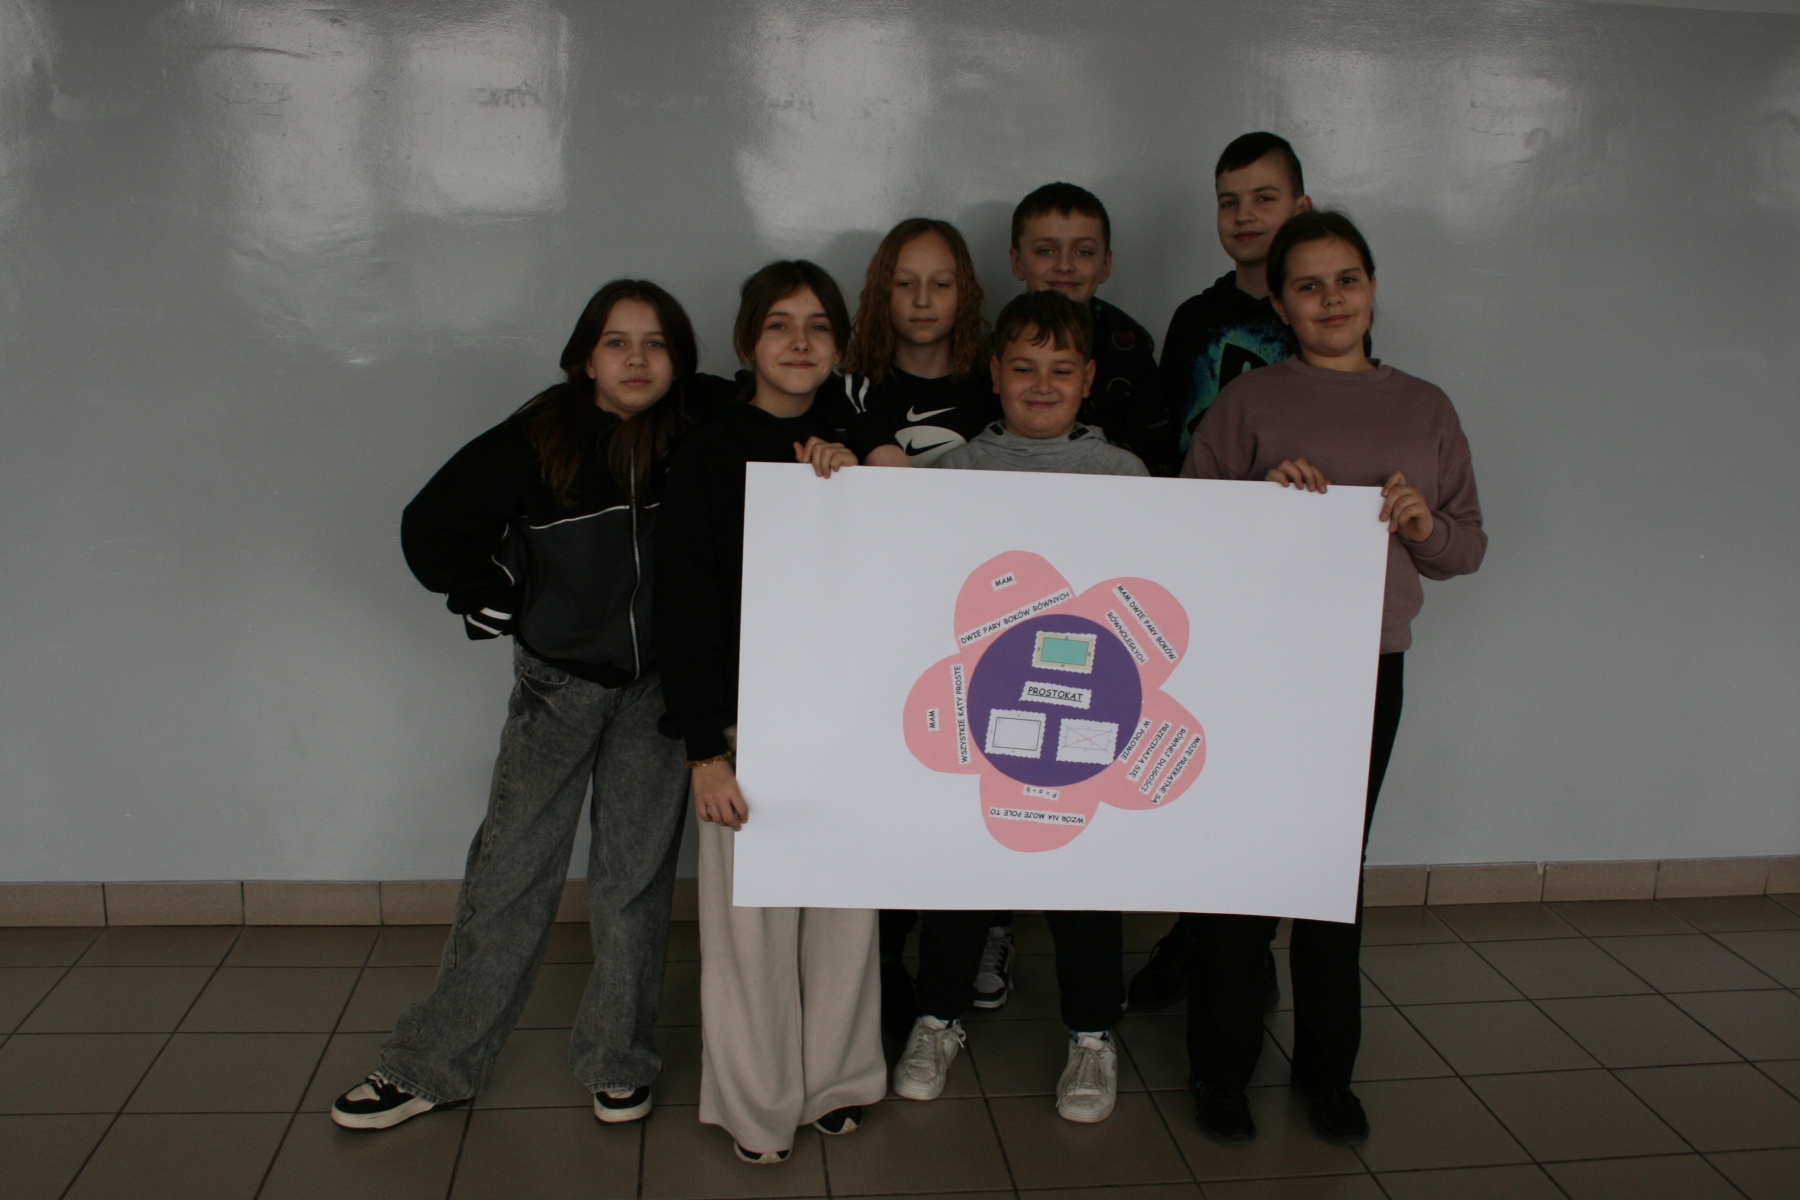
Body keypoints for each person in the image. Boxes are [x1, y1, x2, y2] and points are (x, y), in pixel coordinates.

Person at [332, 280, 721, 1132]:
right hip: (561, 690)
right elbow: (429, 525)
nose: (637, 359)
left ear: (681, 360)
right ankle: (432, 1064)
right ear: (586, 358)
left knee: (633, 883)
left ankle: (618, 1059)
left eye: (656, 343)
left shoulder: (701, 424)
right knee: (511, 875)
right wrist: (492, 597)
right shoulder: (538, 436)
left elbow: (788, 409)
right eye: (616, 342)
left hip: (658, 694)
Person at [1180, 211, 1486, 1145]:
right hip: (1253, 668)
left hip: (1366, 670)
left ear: (1373, 287)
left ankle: (1327, 1075)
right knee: (1239, 871)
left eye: (1346, 279)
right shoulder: (1249, 401)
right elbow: (1184, 532)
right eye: (1307, 286)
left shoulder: (1426, 407)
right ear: (1279, 303)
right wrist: (1259, 505)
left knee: (1329, 878)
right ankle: (1220, 1071)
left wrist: (1423, 525)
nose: (1330, 300)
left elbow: (1466, 547)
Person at [655, 260, 894, 1164]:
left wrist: (864, 479)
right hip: (745, 724)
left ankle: (837, 1080)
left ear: (840, 345)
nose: (800, 342)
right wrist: (705, 750)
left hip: (848, 720)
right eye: (780, 325)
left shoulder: (856, 439)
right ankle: (758, 1105)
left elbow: (905, 565)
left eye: (819, 326)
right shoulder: (709, 451)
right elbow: (685, 607)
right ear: (747, 341)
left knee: (843, 917)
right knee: (749, 932)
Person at [892, 290, 1146, 1127]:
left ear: (1089, 379)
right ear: (995, 373)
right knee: (959, 874)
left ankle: (1092, 1034)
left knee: (1087, 881)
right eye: (1025, 368)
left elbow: (1146, 589)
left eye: (1061, 370)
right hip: (981, 710)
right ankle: (938, 1019)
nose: (1042, 385)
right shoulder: (953, 472)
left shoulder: (1125, 476)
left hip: (1087, 708)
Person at [1131, 131, 1313, 1012]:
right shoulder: (1195, 318)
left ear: (1301, 208)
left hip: (1294, 577)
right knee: (1201, 762)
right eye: (1229, 201)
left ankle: (1245, 946)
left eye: (1264, 198)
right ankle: (1195, 936)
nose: (1244, 216)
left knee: (1271, 772)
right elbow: (1171, 442)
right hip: (1206, 566)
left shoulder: (1316, 311)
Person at [834, 217, 997, 1036]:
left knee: (961, 806)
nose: (923, 299)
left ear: (965, 292)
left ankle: (966, 959)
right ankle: (882, 970)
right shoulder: (850, 388)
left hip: (974, 632)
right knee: (886, 804)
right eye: (905, 283)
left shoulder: (991, 389)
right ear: (881, 293)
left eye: (940, 282)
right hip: (876, 634)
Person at [1010, 181, 1176, 475]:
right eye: (1045, 250)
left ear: (1105, 265)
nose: (1064, 265)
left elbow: (1155, 461)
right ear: (1017, 262)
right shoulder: (998, 347)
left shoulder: (1131, 348)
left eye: (1083, 252)